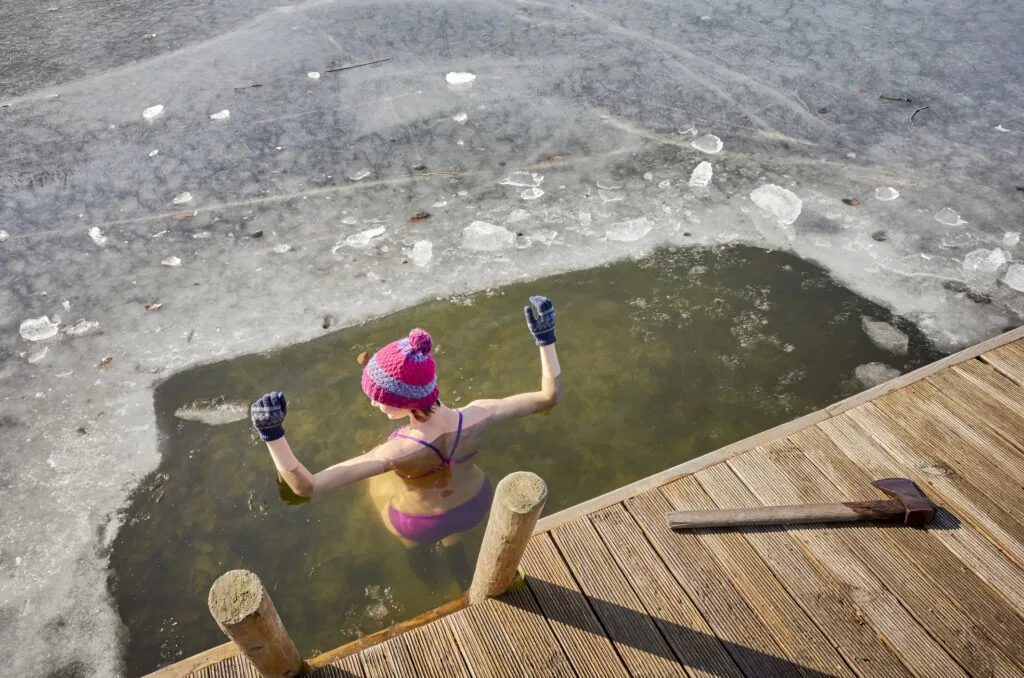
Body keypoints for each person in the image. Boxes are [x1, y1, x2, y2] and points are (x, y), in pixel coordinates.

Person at [249, 296, 563, 561]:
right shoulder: (480, 413)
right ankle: (455, 551)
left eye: (378, 399)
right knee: (455, 533)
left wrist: (273, 434)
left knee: (377, 487)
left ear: (405, 404)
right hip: (477, 502)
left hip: (419, 522)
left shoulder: (395, 451)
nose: (374, 405)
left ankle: (415, 556)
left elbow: (307, 487)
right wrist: (546, 339)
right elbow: (549, 397)